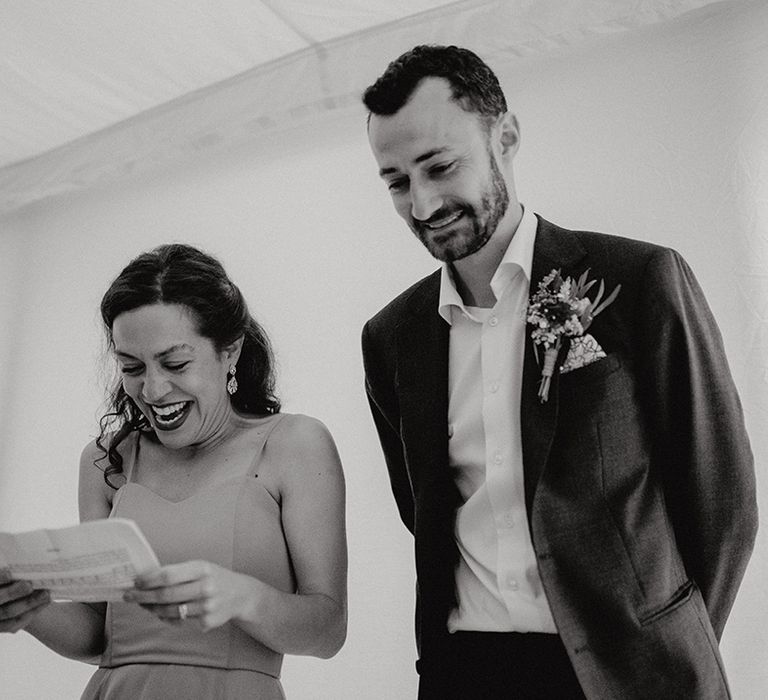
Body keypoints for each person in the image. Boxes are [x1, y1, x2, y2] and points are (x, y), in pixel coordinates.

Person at [361, 44, 757, 699]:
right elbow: (423, 511)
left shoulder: (638, 280)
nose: (423, 204)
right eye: (397, 181)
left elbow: (722, 502)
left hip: (631, 673)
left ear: (506, 137)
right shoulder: (391, 337)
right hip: (468, 675)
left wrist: (663, 648)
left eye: (440, 167)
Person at [0, 243, 347, 699]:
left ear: (230, 352)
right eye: (132, 367)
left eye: (176, 363)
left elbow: (327, 630)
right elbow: (100, 636)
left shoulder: (294, 444)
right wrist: (24, 607)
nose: (154, 389)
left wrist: (242, 596)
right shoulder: (107, 460)